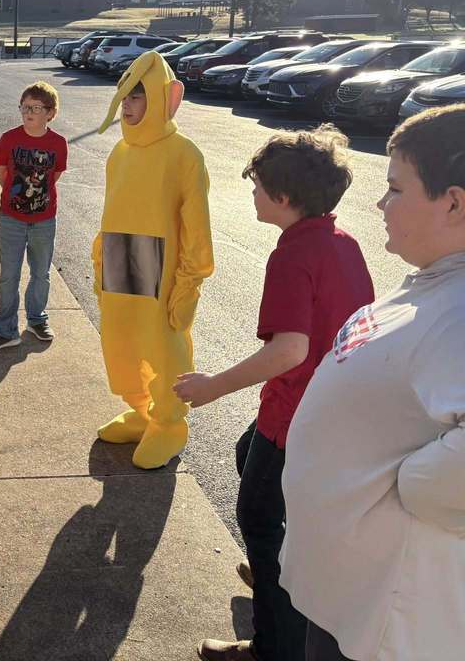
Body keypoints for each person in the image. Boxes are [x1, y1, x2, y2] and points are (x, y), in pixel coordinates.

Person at [173, 126, 375, 661]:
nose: (252, 193)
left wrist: (211, 387)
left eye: (258, 185)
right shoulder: (341, 241)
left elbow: (288, 350)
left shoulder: (291, 257)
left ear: (284, 197)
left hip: (295, 417)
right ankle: (280, 568)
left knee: (258, 518)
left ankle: (273, 641)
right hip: (331, 408)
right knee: (246, 457)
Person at [279, 104, 465, 661]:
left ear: (454, 202)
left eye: (396, 189)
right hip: (349, 599)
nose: (381, 204)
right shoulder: (438, 286)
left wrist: (419, 482)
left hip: (386, 620)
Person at [91, 51, 214, 469]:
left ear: (165, 98)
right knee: (121, 344)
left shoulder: (184, 154)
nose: (127, 104)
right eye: (125, 94)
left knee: (163, 350)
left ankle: (168, 424)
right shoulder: (119, 154)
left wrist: (189, 282)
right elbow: (110, 211)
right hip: (121, 256)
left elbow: (197, 227)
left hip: (162, 268)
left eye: (138, 95)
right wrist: (99, 262)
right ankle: (142, 413)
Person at [0, 81, 68, 350]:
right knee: (9, 274)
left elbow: (54, 176)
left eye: (35, 107)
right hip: (11, 219)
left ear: (50, 113)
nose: (28, 112)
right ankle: (6, 331)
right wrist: (17, 200)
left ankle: (36, 319)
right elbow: (0, 171)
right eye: (24, 107)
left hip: (44, 219)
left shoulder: (58, 143)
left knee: (41, 273)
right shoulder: (9, 138)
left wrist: (35, 201)